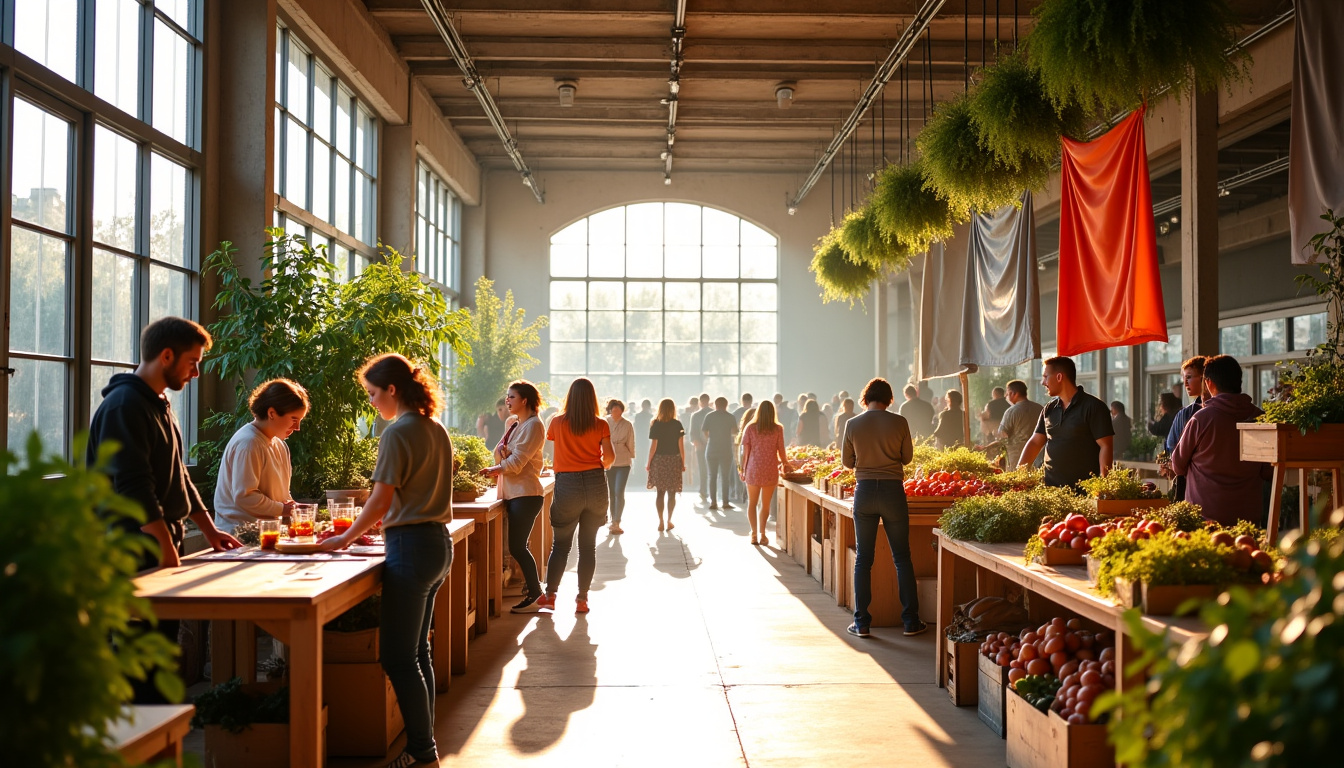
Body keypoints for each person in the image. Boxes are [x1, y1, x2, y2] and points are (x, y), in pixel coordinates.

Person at [88, 317, 243, 702]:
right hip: (132, 548)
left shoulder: (158, 404)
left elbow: (178, 477)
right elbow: (134, 486)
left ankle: (161, 732)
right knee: (141, 661)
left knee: (161, 654)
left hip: (157, 543)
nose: (196, 372)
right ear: (167, 356)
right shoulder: (124, 406)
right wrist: (166, 548)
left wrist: (209, 530)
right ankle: (142, 733)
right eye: (193, 362)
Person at [320, 353, 454, 768]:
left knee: (398, 657)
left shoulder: (397, 433)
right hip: (437, 544)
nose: (372, 401)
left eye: (373, 393)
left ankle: (421, 752)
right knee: (418, 652)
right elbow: (413, 493)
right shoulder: (436, 428)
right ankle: (425, 745)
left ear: (392, 389)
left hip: (411, 547)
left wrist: (344, 537)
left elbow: (380, 499)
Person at [840, 377, 924, 638]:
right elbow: (907, 458)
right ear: (889, 399)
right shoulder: (900, 422)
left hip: (864, 492)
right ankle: (910, 622)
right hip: (892, 492)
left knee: (864, 559)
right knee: (902, 557)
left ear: (865, 398)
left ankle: (862, 623)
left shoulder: (852, 424)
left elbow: (847, 462)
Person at [540, 377, 615, 614]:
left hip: (567, 485)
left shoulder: (557, 422)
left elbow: (550, 445)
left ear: (569, 397)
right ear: (593, 398)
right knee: (588, 547)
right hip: (595, 484)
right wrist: (598, 464)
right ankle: (582, 599)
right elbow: (610, 458)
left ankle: (550, 596)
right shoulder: (601, 424)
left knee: (561, 545)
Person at [1170, 355, 1270, 526]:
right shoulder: (1260, 419)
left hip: (1205, 519)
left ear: (1209, 383)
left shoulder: (1201, 419)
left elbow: (1178, 466)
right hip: (1248, 520)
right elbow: (1268, 471)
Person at [480, 380, 547, 613]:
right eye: (507, 396)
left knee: (518, 547)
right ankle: (534, 591)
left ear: (524, 400)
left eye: (512, 397)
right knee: (518, 546)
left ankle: (535, 593)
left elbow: (516, 463)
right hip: (514, 494)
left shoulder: (534, 425)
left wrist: (496, 468)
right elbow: (499, 454)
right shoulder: (516, 424)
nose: (507, 401)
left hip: (526, 494)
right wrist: (500, 463)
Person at [213, 378, 309, 534]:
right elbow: (245, 497)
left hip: (268, 532)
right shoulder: (248, 443)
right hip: (239, 535)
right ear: (272, 413)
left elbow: (281, 497)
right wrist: (284, 509)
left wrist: (294, 508)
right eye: (294, 419)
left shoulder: (280, 445)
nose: (297, 428)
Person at [1018, 357, 1115, 488]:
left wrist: (1103, 486)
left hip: (1084, 490)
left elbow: (1106, 446)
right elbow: (1035, 442)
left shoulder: (1094, 407)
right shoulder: (1049, 409)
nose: (1042, 382)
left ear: (1059, 377)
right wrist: (1018, 475)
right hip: (1050, 489)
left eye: (1045, 377)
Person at [739, 400, 790, 546]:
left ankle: (753, 534)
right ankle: (762, 534)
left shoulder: (750, 428)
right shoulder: (778, 429)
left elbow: (745, 452)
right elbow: (781, 450)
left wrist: (743, 469)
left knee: (752, 503)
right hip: (770, 469)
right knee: (765, 505)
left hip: (753, 469)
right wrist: (786, 463)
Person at [1160, 356, 1206, 501]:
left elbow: (1172, 449)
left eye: (1189, 377)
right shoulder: (1185, 413)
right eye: (1184, 378)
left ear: (1205, 378)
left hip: (1189, 487)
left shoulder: (1187, 414)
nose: (1185, 383)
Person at [647, 398, 687, 532]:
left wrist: (649, 462)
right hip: (674, 460)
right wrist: (683, 462)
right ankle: (669, 520)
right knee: (672, 492)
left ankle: (661, 521)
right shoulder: (677, 424)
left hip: (659, 461)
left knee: (660, 492)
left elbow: (654, 446)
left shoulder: (656, 424)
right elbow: (681, 446)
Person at [604, 399, 635, 534]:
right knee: (611, 492)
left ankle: (617, 520)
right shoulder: (605, 422)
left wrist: (631, 456)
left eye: (619, 409)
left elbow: (631, 441)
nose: (616, 411)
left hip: (623, 461)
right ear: (610, 410)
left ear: (622, 410)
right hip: (608, 461)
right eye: (614, 409)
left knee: (619, 491)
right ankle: (613, 520)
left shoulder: (627, 424)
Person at [702, 396, 739, 510]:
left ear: (715, 405)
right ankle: (725, 502)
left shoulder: (709, 416)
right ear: (726, 405)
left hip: (712, 448)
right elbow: (735, 432)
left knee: (712, 476)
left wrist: (711, 438)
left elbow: (705, 431)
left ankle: (713, 502)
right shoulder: (730, 417)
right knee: (725, 477)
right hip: (726, 449)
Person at [690, 393, 712, 501]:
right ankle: (712, 490)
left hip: (700, 446)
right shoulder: (713, 413)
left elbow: (693, 432)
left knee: (702, 469)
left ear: (700, 402)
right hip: (713, 445)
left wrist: (697, 443)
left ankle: (703, 490)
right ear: (708, 400)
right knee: (713, 469)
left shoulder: (695, 415)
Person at [634, 399, 654, 482]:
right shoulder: (651, 416)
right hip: (647, 440)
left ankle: (639, 477)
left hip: (640, 440)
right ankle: (645, 477)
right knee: (647, 458)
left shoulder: (638, 416)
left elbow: (636, 428)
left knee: (639, 458)